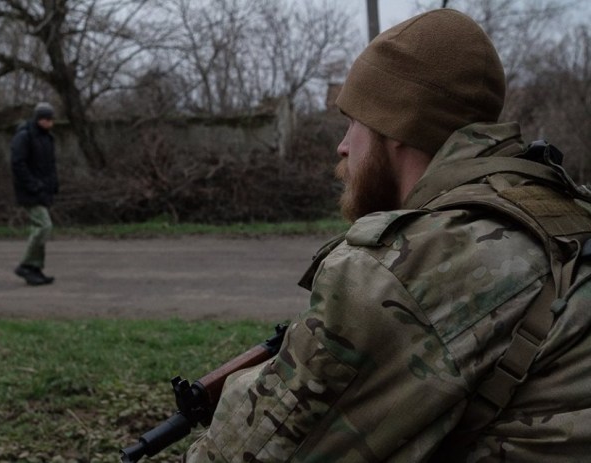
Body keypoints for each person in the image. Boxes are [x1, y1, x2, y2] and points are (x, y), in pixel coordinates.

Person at [185, 9, 591, 462]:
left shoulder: (400, 268)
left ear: (396, 127)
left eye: (352, 122)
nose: (342, 146)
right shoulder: (566, 210)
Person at [11, 102, 59, 286]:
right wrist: (33, 185)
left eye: (51, 119)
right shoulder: (24, 136)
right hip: (30, 191)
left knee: (39, 229)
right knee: (44, 226)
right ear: (39, 119)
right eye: (47, 119)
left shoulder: (47, 138)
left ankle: (35, 268)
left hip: (43, 190)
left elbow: (49, 165)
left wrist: (53, 185)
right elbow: (18, 164)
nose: (50, 122)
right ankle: (26, 265)